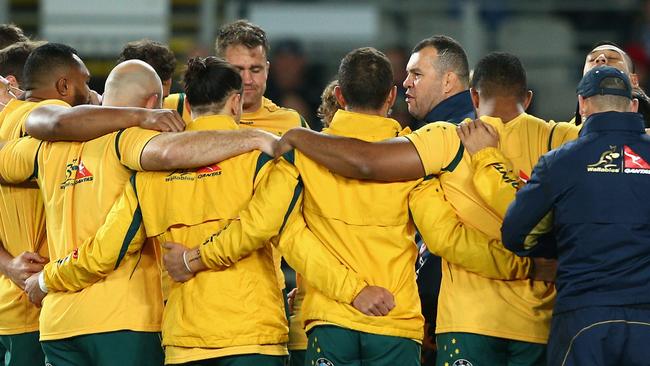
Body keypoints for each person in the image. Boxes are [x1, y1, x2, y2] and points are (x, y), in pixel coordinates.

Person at [25, 56, 389, 366]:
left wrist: (47, 279)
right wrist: (353, 290)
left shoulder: (148, 175)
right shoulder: (261, 163)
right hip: (253, 336)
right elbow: (293, 240)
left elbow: (105, 250)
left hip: (185, 342)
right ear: (235, 103)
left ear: (186, 104)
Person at [277, 52, 566, 365]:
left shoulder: (305, 151)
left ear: (338, 95)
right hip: (395, 321)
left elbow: (289, 236)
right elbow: (444, 237)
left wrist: (350, 290)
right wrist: (525, 267)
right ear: (391, 96)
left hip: (329, 318)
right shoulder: (413, 162)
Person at [0, 43, 277, 365]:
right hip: (125, 318)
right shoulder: (129, 141)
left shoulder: (38, 149)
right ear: (153, 103)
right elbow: (170, 153)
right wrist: (255, 138)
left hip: (58, 323)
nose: (91, 94)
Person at [501, 66, 650, 366]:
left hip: (583, 316)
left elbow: (514, 234)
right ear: (633, 105)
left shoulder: (560, 161)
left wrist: (560, 244)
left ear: (582, 104)